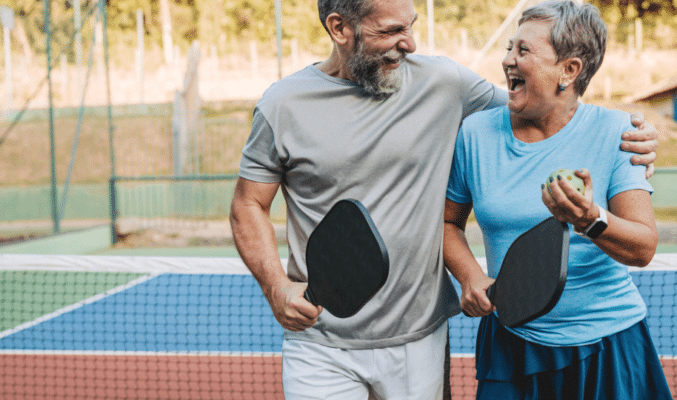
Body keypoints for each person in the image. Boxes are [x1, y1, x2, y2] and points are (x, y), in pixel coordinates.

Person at [230, 0, 659, 398]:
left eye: (411, 26)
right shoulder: (282, 104)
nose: (410, 43)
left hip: (420, 338)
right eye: (392, 30)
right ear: (339, 28)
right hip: (322, 337)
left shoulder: (445, 83)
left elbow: (554, 108)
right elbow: (248, 205)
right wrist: (276, 287)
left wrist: (633, 137)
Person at [443, 1, 672, 399]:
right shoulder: (474, 134)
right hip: (511, 342)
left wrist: (591, 219)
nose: (508, 60)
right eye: (510, 47)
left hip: (607, 347)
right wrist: (470, 276)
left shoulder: (619, 132)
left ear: (569, 70)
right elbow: (447, 223)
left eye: (524, 51)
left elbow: (643, 248)